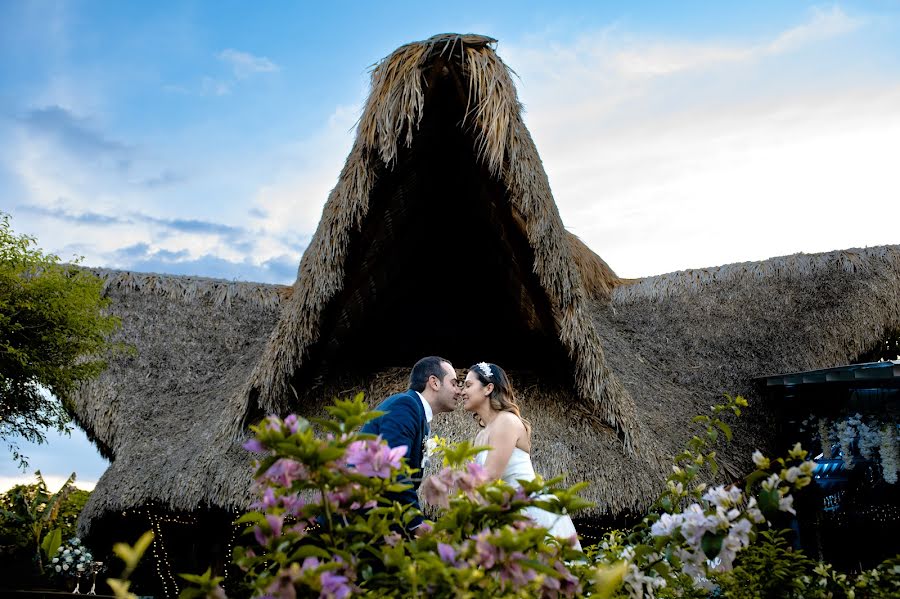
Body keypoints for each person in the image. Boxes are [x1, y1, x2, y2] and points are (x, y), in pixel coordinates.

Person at [462, 361, 582, 550]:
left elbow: (489, 478)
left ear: (488, 389)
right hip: (505, 509)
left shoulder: (506, 421)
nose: (462, 391)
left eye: (468, 385)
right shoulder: (481, 436)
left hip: (528, 508)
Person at [361, 355, 459, 530]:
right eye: (453, 383)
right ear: (434, 383)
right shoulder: (405, 405)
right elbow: (393, 466)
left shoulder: (421, 418)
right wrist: (416, 524)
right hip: (357, 517)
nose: (458, 390)